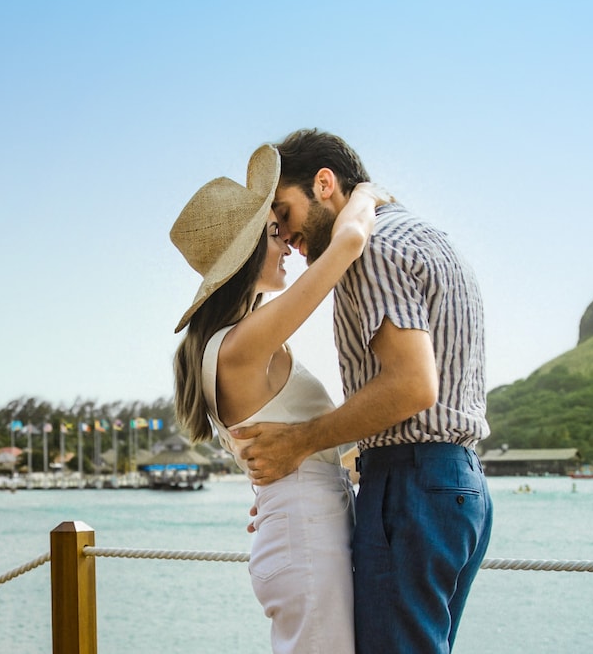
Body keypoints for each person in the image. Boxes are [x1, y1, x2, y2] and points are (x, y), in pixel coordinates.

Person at [233, 128, 493, 654]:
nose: (284, 234)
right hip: (458, 484)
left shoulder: (370, 251)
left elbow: (412, 387)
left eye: (284, 213)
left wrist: (298, 445)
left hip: (412, 488)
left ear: (324, 184)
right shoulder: (422, 235)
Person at [170, 144, 383, 653]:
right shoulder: (243, 345)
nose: (287, 244)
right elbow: (350, 238)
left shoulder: (230, 344)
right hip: (305, 540)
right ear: (245, 258)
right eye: (273, 234)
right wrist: (367, 193)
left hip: (298, 531)